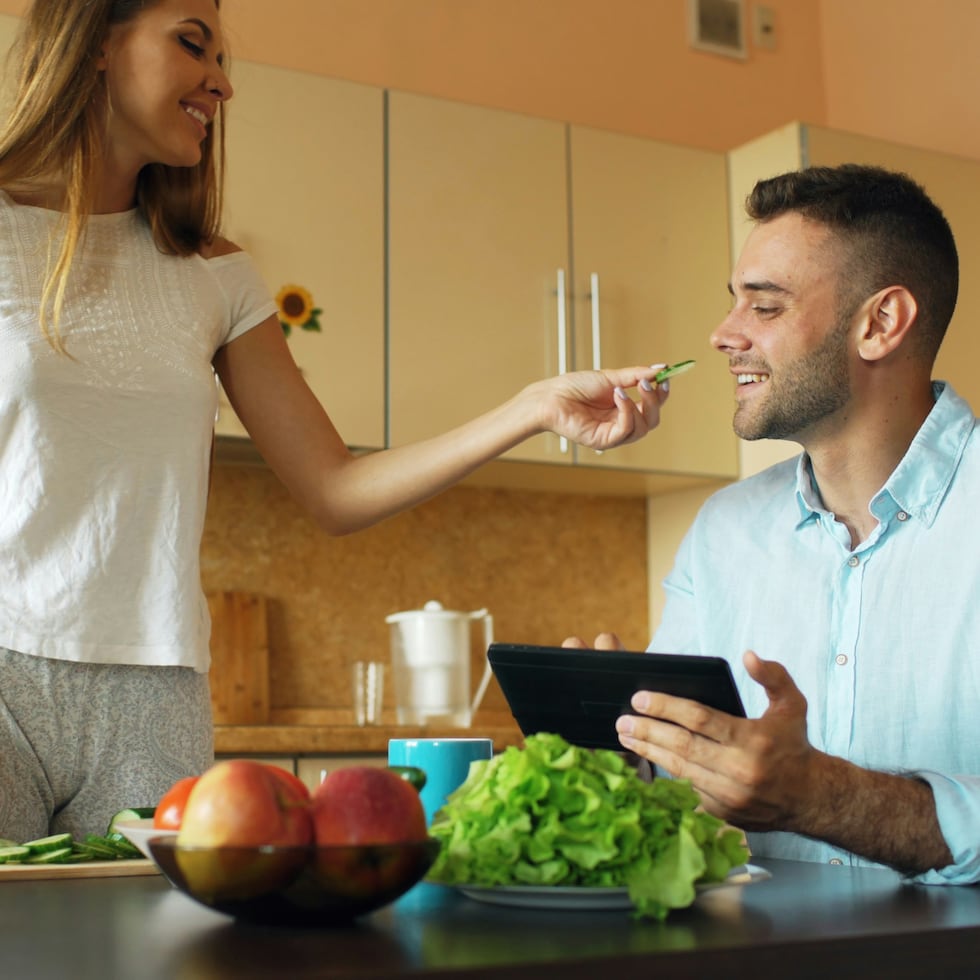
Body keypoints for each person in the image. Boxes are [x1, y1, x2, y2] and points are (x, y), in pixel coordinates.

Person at [0, 0, 671, 845]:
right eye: (190, 43)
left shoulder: (217, 277)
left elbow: (336, 486)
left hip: (156, 690)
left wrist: (534, 408)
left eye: (219, 54)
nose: (222, 80)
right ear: (96, 44)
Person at [568, 163, 980, 885]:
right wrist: (627, 746)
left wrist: (827, 799)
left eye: (764, 308)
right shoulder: (725, 531)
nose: (724, 335)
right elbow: (682, 798)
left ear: (880, 323)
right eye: (733, 303)